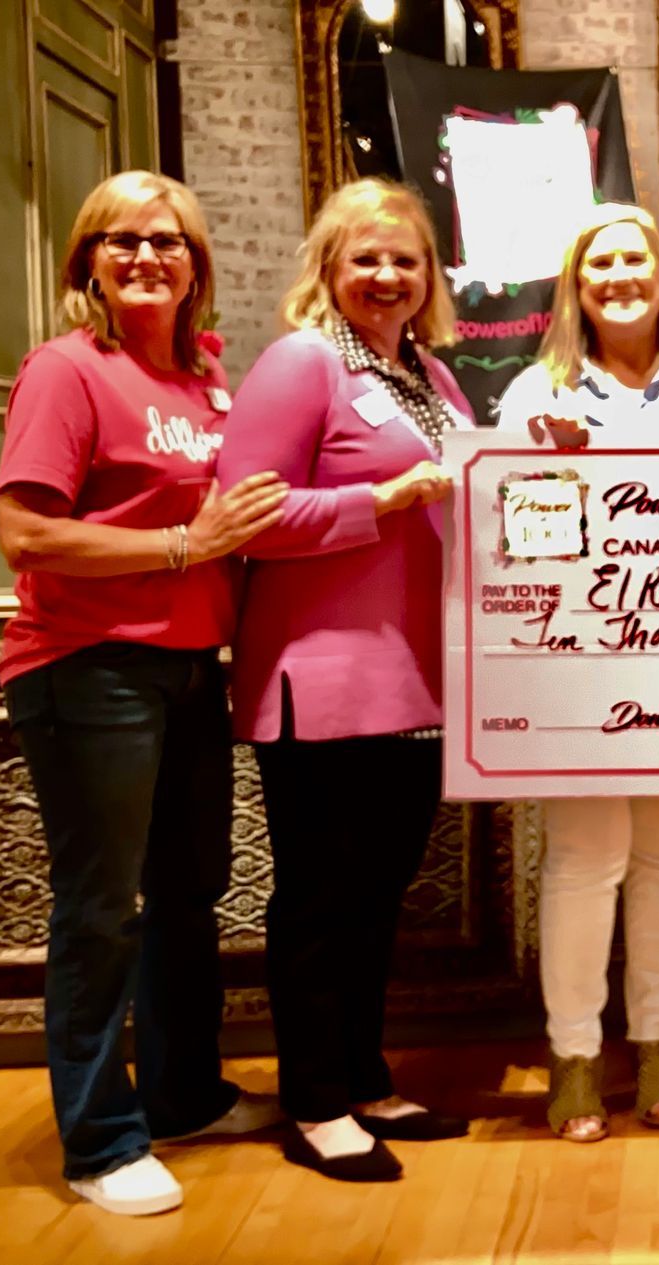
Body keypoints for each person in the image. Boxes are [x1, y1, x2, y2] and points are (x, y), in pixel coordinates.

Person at [0, 171, 288, 1216]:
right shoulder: (69, 371)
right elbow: (26, 531)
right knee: (102, 909)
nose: (143, 256)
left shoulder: (207, 381)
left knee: (189, 893)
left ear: (197, 263)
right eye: (118, 241)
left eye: (165, 241)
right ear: (88, 263)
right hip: (88, 666)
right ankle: (101, 1136)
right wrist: (184, 542)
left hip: (187, 670)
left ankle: (182, 1092)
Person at [215, 178, 474, 1182]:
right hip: (318, 683)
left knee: (377, 898)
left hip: (417, 686)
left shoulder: (436, 382)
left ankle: (365, 1075)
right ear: (327, 266)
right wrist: (382, 496)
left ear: (428, 279)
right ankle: (316, 1098)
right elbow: (247, 515)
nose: (386, 275)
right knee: (321, 901)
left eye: (404, 259)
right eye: (365, 256)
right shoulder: (303, 362)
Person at [496, 203, 659, 1142]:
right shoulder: (534, 393)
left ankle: (653, 1048)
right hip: (579, 659)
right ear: (576, 284)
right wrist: (546, 471)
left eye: (635, 257)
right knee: (585, 858)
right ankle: (571, 1057)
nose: (619, 275)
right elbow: (518, 541)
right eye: (598, 263)